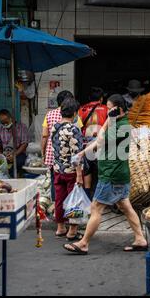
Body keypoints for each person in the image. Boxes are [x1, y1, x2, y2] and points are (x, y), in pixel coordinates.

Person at [64, 94, 148, 255]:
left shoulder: (122, 127)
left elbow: (101, 138)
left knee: (96, 207)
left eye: (110, 109)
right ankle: (140, 239)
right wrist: (81, 154)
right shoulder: (116, 123)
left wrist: (108, 122)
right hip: (117, 174)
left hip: (111, 174)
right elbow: (97, 142)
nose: (108, 112)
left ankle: (83, 243)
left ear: (119, 109)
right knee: (125, 205)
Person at [51, 98, 85, 240]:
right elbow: (76, 156)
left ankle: (60, 228)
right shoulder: (73, 129)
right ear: (75, 113)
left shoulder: (55, 127)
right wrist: (79, 175)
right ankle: (72, 231)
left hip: (58, 170)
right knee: (74, 201)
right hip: (71, 172)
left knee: (59, 199)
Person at [42, 91, 83, 206]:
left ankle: (58, 216)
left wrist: (43, 152)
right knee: (72, 196)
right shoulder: (73, 126)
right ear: (74, 112)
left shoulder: (52, 121)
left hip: (56, 163)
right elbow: (76, 153)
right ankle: (72, 220)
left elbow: (45, 136)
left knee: (58, 193)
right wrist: (79, 174)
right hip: (71, 168)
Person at [78, 87, 109, 198]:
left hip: (86, 144)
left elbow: (78, 128)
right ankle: (99, 196)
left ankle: (87, 196)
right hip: (100, 143)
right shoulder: (106, 109)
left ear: (89, 98)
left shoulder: (82, 110)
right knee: (100, 170)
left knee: (87, 170)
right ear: (101, 99)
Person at [0, 109, 28, 176]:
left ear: (11, 118)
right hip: (4, 153)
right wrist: (1, 156)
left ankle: (13, 177)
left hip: (18, 153)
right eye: (2, 122)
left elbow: (24, 143)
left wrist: (14, 155)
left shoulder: (22, 127)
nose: (5, 123)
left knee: (18, 162)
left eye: (6, 121)